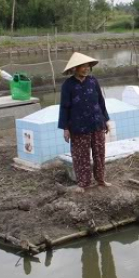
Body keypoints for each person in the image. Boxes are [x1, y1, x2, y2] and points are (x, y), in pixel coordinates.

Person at [58, 52, 111, 192]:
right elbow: (64, 107)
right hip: (78, 127)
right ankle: (83, 183)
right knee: (81, 156)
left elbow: (101, 101)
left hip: (97, 123)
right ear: (75, 68)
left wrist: (106, 120)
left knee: (99, 154)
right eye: (83, 66)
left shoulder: (93, 81)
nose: (86, 68)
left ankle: (100, 180)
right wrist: (65, 128)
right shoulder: (68, 85)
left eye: (88, 66)